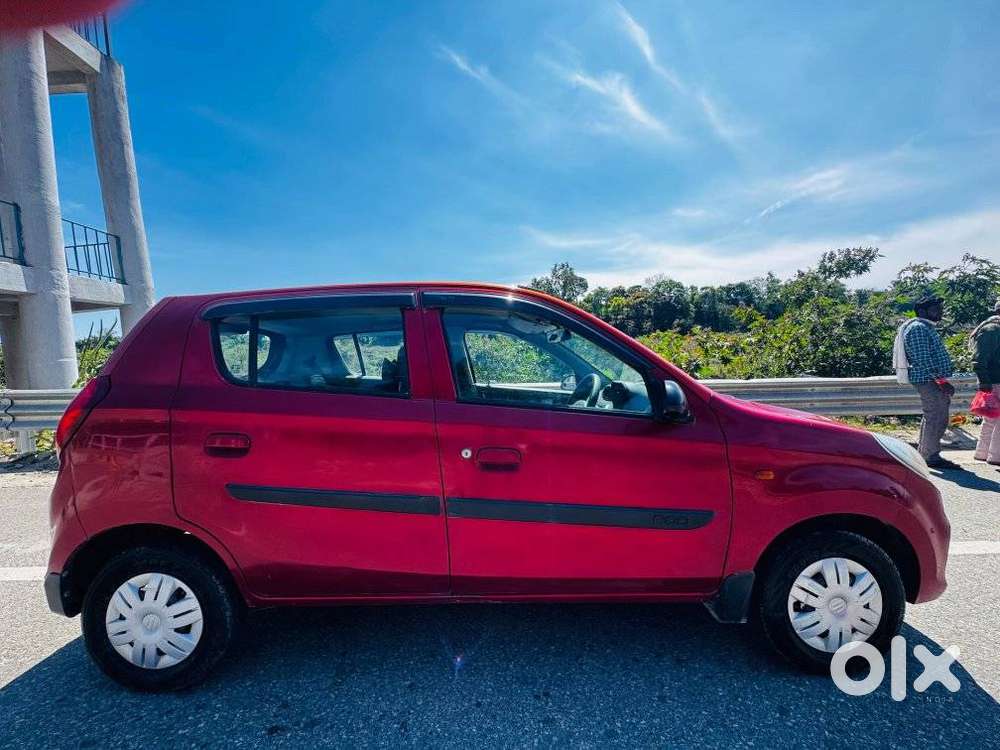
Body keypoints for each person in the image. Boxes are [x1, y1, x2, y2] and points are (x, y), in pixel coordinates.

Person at [893, 295, 961, 470]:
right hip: (929, 380)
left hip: (931, 379)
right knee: (936, 418)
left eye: (940, 309)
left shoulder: (924, 327)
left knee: (934, 417)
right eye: (936, 309)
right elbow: (923, 359)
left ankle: (926, 453)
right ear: (922, 311)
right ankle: (930, 456)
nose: (940, 312)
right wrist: (941, 381)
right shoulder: (918, 328)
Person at [971, 297, 1000, 465]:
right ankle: (996, 456)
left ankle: (982, 453)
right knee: (996, 419)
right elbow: (979, 359)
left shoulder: (991, 328)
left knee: (991, 418)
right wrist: (984, 381)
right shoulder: (993, 329)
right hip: (995, 380)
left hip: (992, 380)